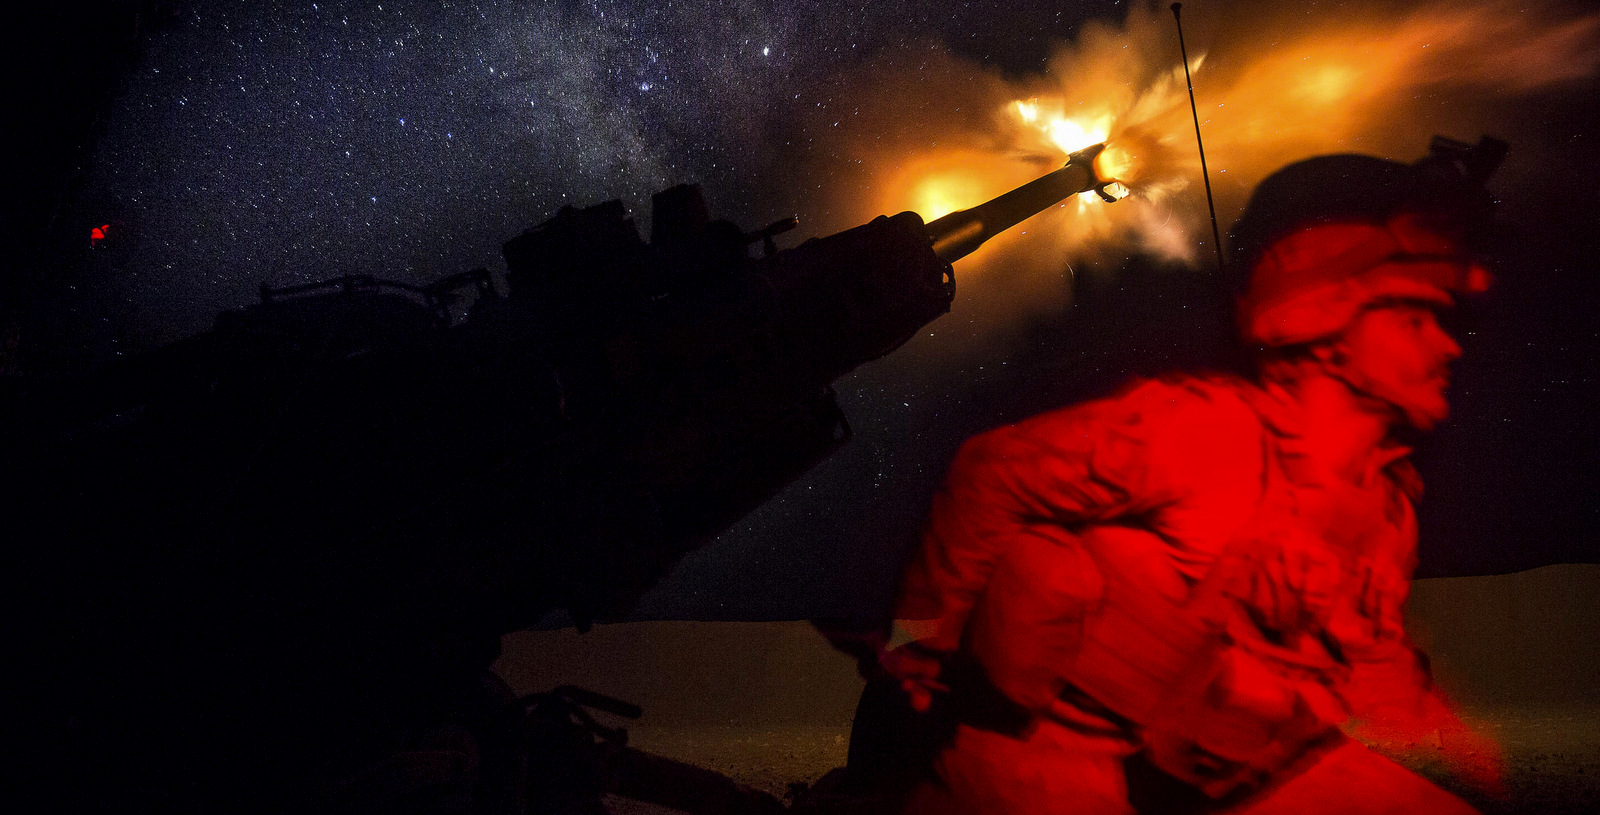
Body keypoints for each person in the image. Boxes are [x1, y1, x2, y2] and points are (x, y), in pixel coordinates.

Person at [880, 142, 1508, 814]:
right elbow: (993, 471)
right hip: (1048, 763)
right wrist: (922, 644)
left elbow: (1372, 668)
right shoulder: (1206, 433)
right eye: (1415, 319)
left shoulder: (1384, 509)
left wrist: (1457, 757)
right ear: (1326, 317)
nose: (1445, 345)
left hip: (1226, 770)